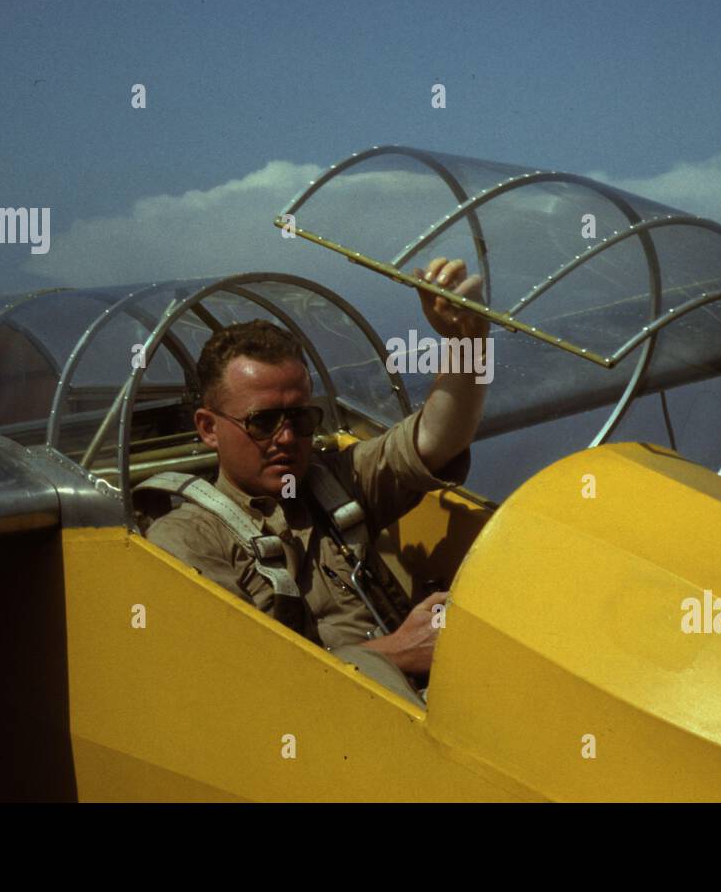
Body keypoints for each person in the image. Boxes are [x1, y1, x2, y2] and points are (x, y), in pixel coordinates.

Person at [144, 257, 490, 704]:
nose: (286, 438)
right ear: (209, 428)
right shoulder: (184, 541)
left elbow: (438, 437)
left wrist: (469, 338)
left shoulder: (339, 480)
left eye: (301, 418)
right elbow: (236, 683)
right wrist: (396, 653)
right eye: (263, 422)